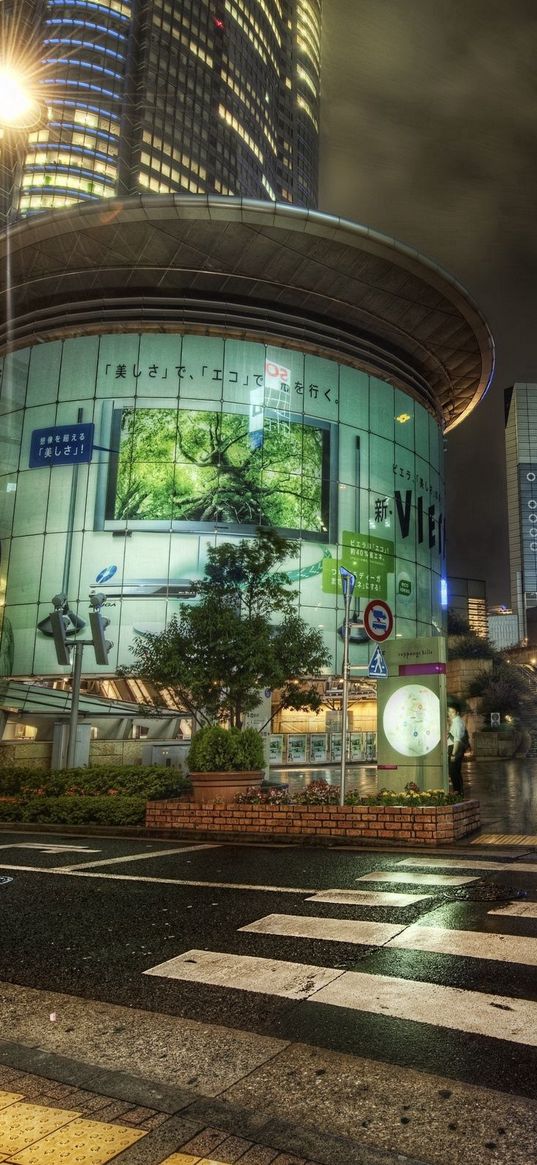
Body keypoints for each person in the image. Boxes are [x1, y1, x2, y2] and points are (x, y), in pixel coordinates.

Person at [447, 700, 466, 797]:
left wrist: (453, 754)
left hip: (455, 748)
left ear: (457, 712)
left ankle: (457, 791)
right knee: (455, 771)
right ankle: (459, 791)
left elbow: (457, 740)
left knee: (453, 770)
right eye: (449, 711)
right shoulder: (457, 721)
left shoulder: (457, 723)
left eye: (452, 712)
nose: (450, 714)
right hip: (455, 747)